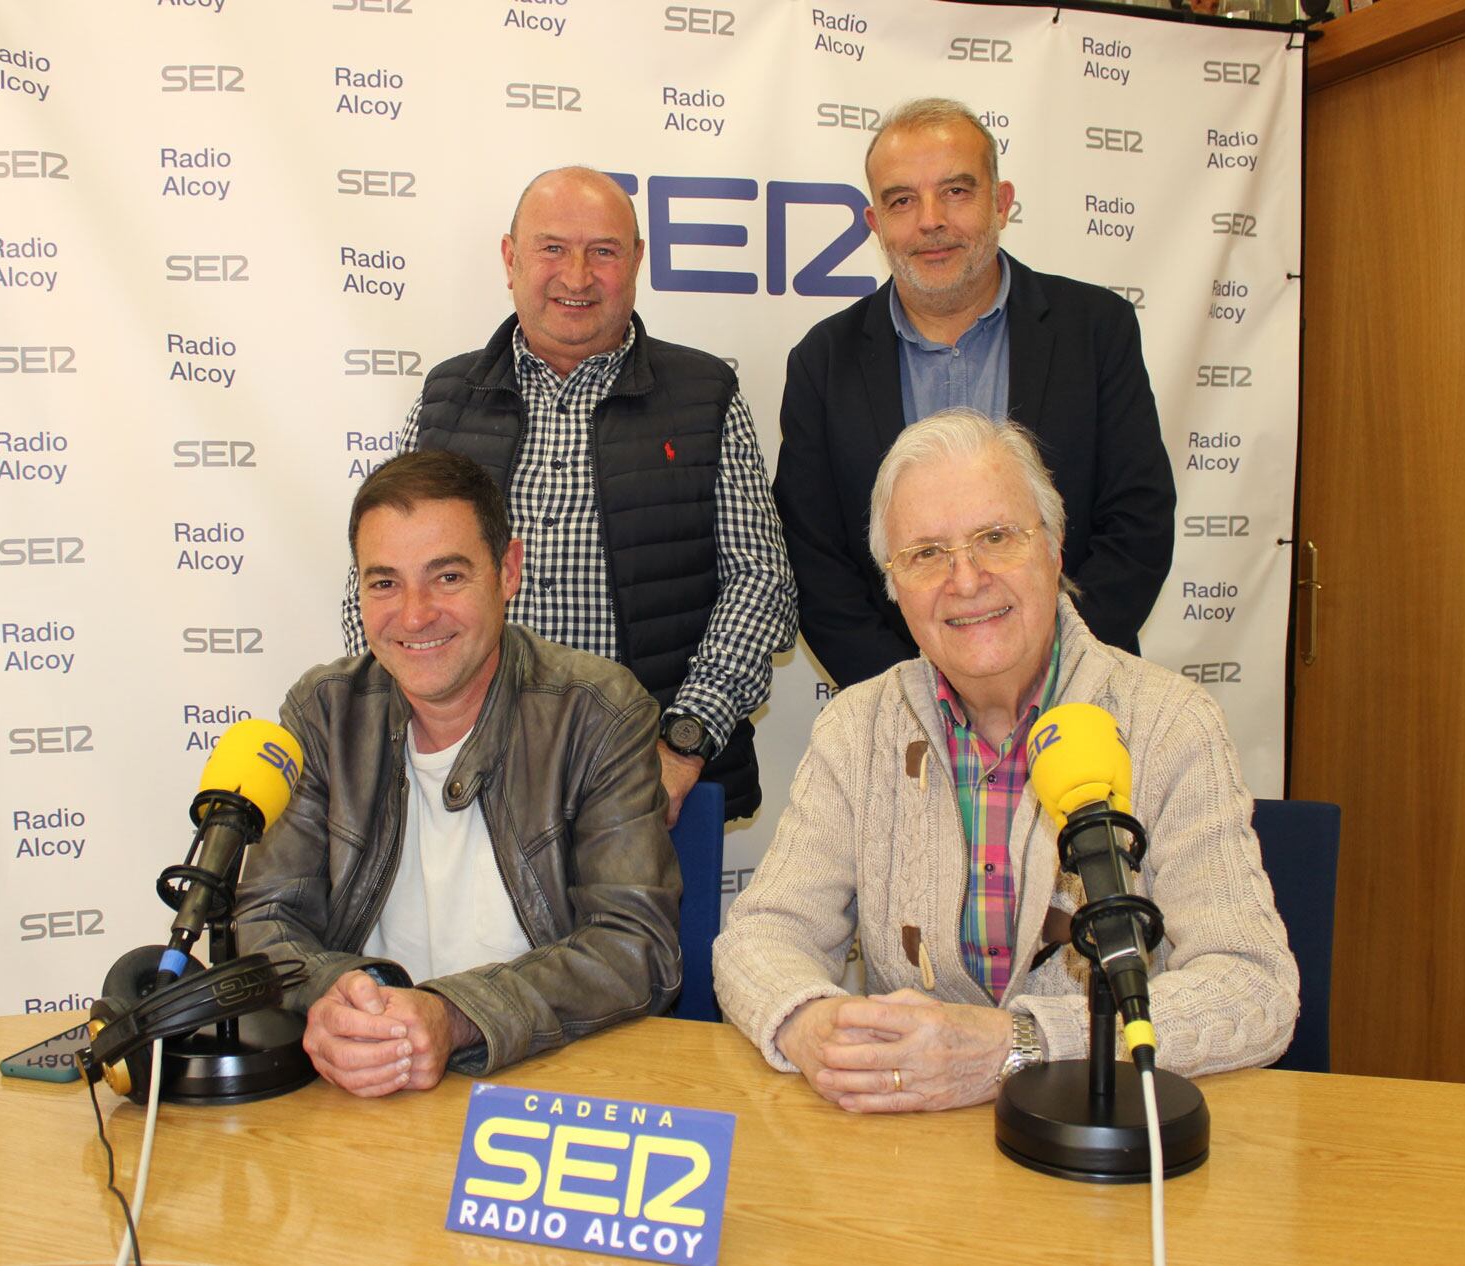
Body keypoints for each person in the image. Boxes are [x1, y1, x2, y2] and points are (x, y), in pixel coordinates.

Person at [713, 410, 1295, 1113]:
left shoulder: (1170, 724)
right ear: (893, 586)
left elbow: (1253, 988)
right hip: (913, 1149)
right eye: (925, 553)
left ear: (1053, 550)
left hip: (1109, 1141)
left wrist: (1021, 1044)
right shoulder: (857, 729)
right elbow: (761, 936)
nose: (966, 579)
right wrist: (808, 1022)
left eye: (996, 537)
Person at [340, 166, 796, 824]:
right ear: (510, 257)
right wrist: (418, 736)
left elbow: (761, 582)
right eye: (552, 248)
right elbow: (377, 581)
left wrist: (683, 744)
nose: (577, 276)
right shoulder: (447, 400)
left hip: (646, 787)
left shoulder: (703, 395)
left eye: (603, 251)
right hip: (464, 786)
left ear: (636, 260)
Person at [236, 451, 682, 1096]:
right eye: (384, 582)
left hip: (543, 1084)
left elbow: (635, 948)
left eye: (446, 577)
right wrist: (337, 999)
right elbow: (266, 922)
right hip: (363, 1088)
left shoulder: (598, 712)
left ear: (507, 572)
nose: (414, 615)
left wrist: (454, 1014)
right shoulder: (323, 711)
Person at [774, 98, 1175, 689]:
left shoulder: (1095, 329)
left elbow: (1138, 524)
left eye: (956, 191)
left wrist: (1051, 674)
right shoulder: (823, 361)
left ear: (1002, 202)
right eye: (902, 200)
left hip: (1080, 698)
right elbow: (815, 563)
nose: (930, 220)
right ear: (875, 224)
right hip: (902, 723)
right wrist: (914, 698)